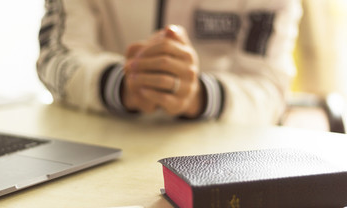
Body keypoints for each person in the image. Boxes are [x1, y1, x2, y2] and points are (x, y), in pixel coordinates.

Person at [37, 0, 302, 124]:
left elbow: (269, 88)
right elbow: (56, 55)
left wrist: (199, 95)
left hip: (218, 154)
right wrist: (121, 84)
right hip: (96, 141)